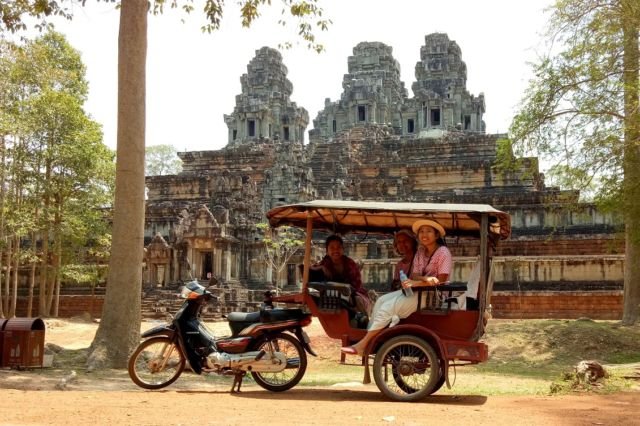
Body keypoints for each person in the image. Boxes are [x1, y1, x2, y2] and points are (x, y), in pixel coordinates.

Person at [341, 220, 452, 355]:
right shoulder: (421, 252)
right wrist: (423, 280)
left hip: (434, 296)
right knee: (381, 301)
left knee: (388, 309)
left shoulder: (443, 252)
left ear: (436, 235)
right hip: (418, 291)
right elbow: (416, 275)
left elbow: (441, 280)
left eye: (429, 231)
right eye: (422, 231)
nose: (424, 234)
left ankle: (363, 345)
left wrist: (418, 283)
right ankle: (371, 340)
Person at [310, 235, 372, 315]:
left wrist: (345, 291)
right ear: (327, 251)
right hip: (332, 296)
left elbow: (357, 285)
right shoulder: (324, 264)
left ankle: (362, 321)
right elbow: (309, 271)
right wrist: (321, 268)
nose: (336, 250)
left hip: (353, 293)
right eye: (332, 248)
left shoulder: (350, 264)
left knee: (357, 300)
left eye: (339, 247)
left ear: (343, 249)